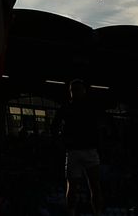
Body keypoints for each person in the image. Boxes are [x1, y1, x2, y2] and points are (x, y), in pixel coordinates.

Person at [51, 80, 103, 216]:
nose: (75, 92)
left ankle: (93, 213)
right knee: (77, 186)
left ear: (83, 91)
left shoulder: (87, 107)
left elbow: (54, 127)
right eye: (73, 89)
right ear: (71, 92)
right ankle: (76, 212)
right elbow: (54, 127)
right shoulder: (68, 108)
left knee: (93, 186)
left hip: (86, 150)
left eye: (77, 89)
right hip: (76, 151)